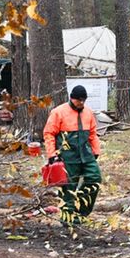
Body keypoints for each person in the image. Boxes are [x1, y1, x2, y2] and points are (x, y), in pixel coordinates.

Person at [44, 85, 104, 226]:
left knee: (94, 179)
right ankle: (67, 217)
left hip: (86, 155)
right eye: (79, 100)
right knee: (68, 187)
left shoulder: (88, 113)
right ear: (72, 98)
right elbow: (49, 133)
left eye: (83, 100)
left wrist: (95, 151)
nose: (81, 103)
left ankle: (80, 211)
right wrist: (52, 155)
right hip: (67, 156)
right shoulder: (58, 112)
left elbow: (93, 134)